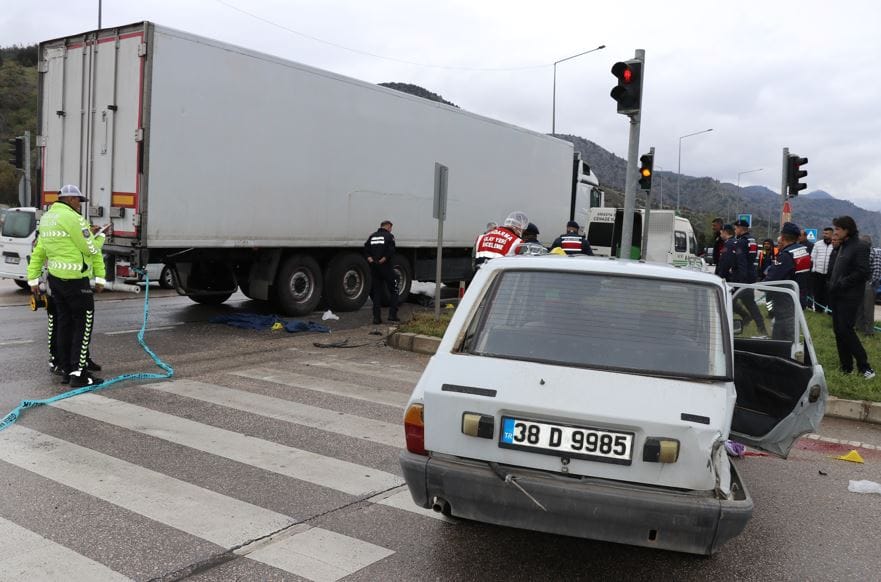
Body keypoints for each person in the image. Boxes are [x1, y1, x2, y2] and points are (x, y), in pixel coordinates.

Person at [27, 184, 105, 388]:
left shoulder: (47, 218)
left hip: (56, 280)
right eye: (78, 200)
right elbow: (89, 249)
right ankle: (79, 374)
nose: (80, 205)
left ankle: (66, 369)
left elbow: (39, 250)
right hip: (76, 280)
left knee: (64, 324)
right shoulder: (73, 218)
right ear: (70, 199)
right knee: (83, 325)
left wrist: (33, 279)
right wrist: (100, 237)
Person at [826, 216, 874, 379]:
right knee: (838, 331)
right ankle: (846, 367)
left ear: (847, 229)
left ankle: (865, 367)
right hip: (837, 294)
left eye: (838, 229)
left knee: (846, 330)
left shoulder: (860, 246)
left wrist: (842, 283)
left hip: (850, 295)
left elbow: (863, 272)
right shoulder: (842, 246)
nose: (835, 232)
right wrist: (832, 285)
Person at [764, 222, 812, 340]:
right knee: (792, 333)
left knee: (781, 338)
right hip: (799, 297)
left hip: (786, 302)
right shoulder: (803, 251)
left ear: (783, 237)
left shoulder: (786, 255)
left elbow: (771, 279)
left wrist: (761, 282)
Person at [732, 219, 767, 335]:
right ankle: (761, 327)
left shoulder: (741, 242)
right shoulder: (752, 240)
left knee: (730, 300)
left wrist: (741, 280)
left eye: (736, 228)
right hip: (750, 274)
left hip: (742, 277)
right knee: (750, 303)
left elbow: (741, 261)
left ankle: (745, 319)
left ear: (740, 228)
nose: (735, 231)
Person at [364, 219, 399, 325]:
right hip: (386, 267)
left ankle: (376, 318)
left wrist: (371, 259)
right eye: (391, 228)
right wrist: (383, 260)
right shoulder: (389, 236)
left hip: (374, 267)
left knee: (377, 292)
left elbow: (366, 250)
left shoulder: (372, 236)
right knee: (394, 290)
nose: (391, 230)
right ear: (388, 226)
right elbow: (391, 251)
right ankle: (392, 315)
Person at [855, 235, 880, 335]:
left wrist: (870, 283)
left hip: (869, 283)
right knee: (859, 306)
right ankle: (859, 327)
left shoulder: (875, 253)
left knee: (868, 308)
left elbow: (877, 270)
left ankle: (869, 331)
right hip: (860, 282)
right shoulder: (861, 253)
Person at [810, 227, 834, 312]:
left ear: (832, 234)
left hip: (829, 274)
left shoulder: (834, 245)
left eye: (826, 234)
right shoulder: (817, 244)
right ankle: (817, 309)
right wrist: (814, 270)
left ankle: (827, 310)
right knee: (817, 292)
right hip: (818, 273)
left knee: (827, 293)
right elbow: (813, 257)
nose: (824, 235)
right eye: (824, 233)